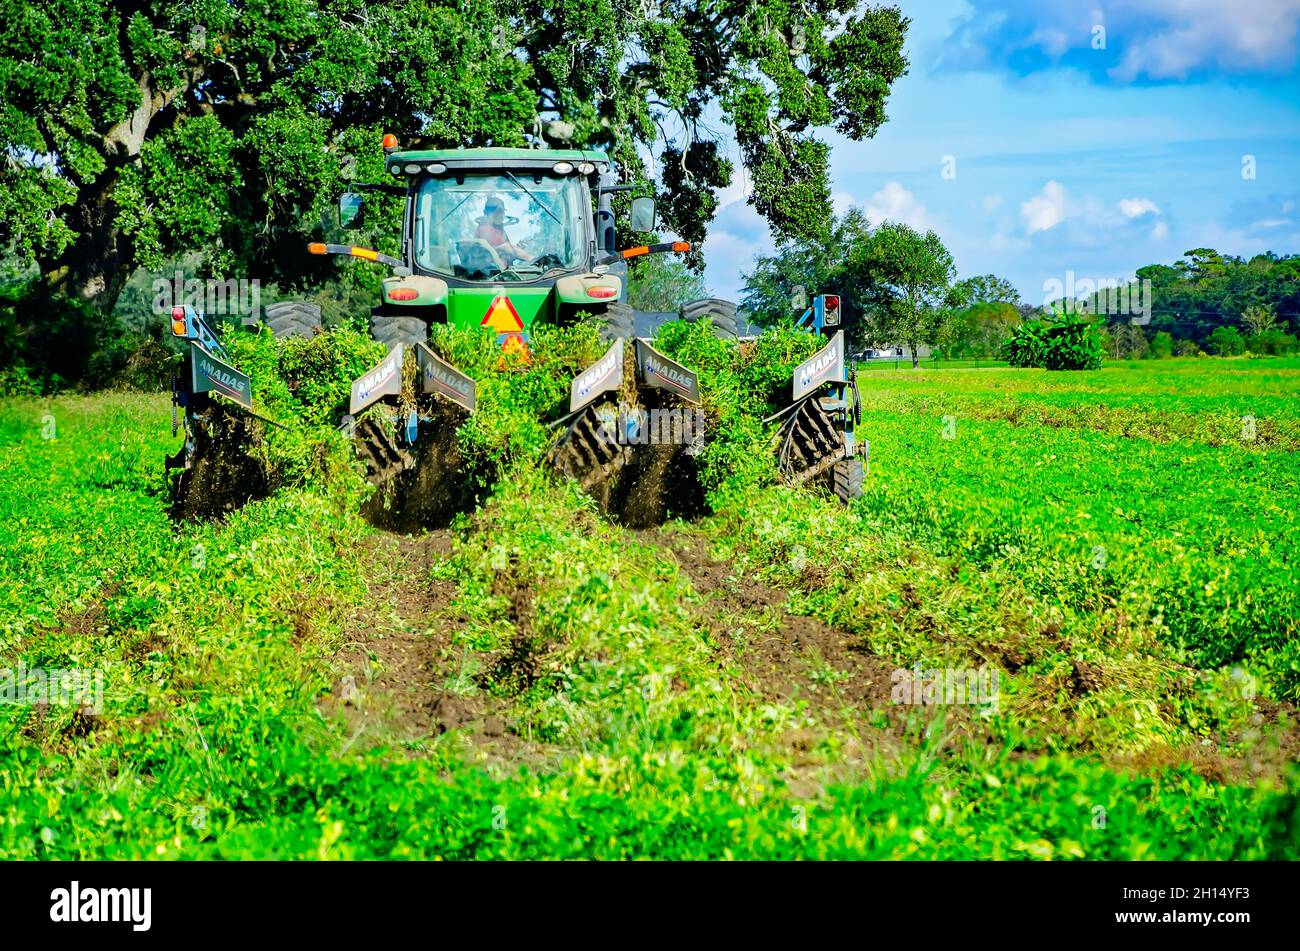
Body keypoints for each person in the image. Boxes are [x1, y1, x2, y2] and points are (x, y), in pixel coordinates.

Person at [474, 196, 531, 264]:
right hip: (494, 273)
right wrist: (532, 258)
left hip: (501, 270)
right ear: (485, 213)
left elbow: (504, 254)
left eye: (501, 211)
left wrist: (518, 248)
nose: (499, 214)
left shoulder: (497, 229)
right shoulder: (486, 229)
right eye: (495, 211)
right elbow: (506, 248)